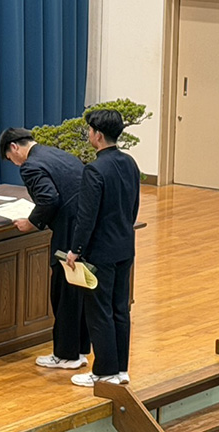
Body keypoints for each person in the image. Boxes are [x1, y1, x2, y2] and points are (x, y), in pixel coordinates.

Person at [0, 128, 91, 370]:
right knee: (79, 290)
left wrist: (31, 222)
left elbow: (49, 198)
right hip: (85, 227)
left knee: (64, 292)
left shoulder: (30, 165)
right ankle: (80, 349)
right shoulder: (58, 154)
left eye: (10, 158)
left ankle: (66, 355)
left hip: (68, 232)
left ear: (14, 147)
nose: (15, 163)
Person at [67, 110, 140, 387]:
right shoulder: (130, 163)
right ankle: (121, 369)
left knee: (99, 311)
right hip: (125, 246)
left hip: (101, 252)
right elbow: (133, 206)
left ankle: (104, 372)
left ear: (97, 134)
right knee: (120, 309)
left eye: (90, 130)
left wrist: (76, 249)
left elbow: (86, 216)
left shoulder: (94, 170)